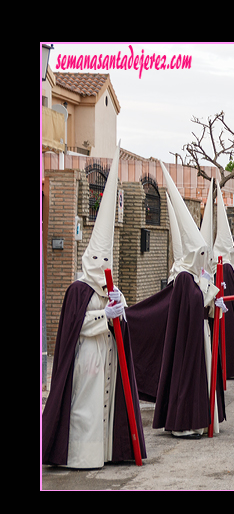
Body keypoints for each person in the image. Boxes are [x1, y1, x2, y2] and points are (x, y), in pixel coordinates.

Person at [42, 143, 147, 467]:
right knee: (85, 407)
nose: (102, 265)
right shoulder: (78, 288)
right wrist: (106, 315)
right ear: (89, 259)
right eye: (97, 259)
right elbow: (79, 325)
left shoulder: (109, 288)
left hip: (107, 356)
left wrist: (121, 307)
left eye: (107, 259)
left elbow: (121, 324)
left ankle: (103, 454)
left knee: (104, 406)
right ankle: (78, 457)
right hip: (86, 356)